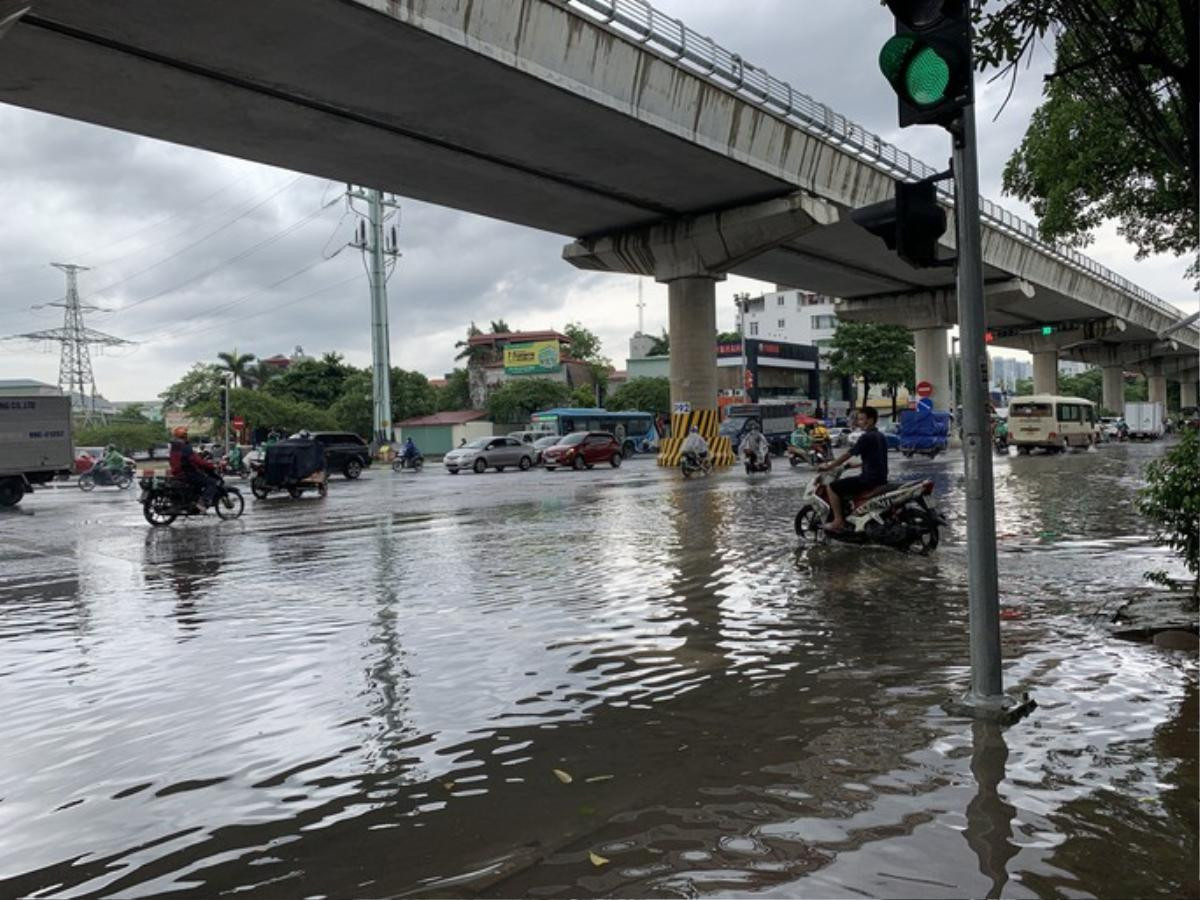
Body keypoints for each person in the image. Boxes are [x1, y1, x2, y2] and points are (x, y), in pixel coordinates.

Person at [820, 406, 888, 532]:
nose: (859, 422)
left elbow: (848, 454)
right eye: (858, 419)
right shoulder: (880, 436)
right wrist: (856, 465)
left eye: (862, 419)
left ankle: (838, 521)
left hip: (868, 479)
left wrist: (829, 466)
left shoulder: (866, 437)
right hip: (881, 478)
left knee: (832, 487)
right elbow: (876, 459)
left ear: (871, 420)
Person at [168, 425, 219, 509]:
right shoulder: (185, 446)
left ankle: (193, 500)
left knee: (199, 481)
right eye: (186, 435)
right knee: (211, 482)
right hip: (187, 473)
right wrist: (210, 465)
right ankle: (203, 502)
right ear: (184, 436)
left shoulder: (174, 446)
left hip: (177, 472)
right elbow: (196, 461)